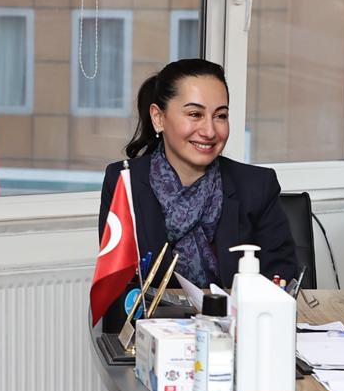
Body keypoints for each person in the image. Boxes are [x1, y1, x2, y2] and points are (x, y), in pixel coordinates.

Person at [97, 59, 297, 325]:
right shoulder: (125, 182)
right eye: (194, 114)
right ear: (158, 118)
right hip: (153, 336)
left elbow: (281, 282)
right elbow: (117, 289)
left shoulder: (257, 186)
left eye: (220, 116)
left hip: (240, 334)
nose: (210, 131)